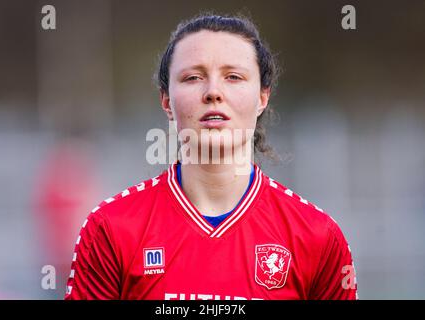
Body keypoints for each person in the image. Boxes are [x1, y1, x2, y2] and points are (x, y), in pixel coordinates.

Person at [64, 13, 357, 300]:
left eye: (233, 77)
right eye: (193, 77)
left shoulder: (317, 237)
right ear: (166, 101)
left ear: (262, 98)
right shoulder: (111, 229)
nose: (213, 92)